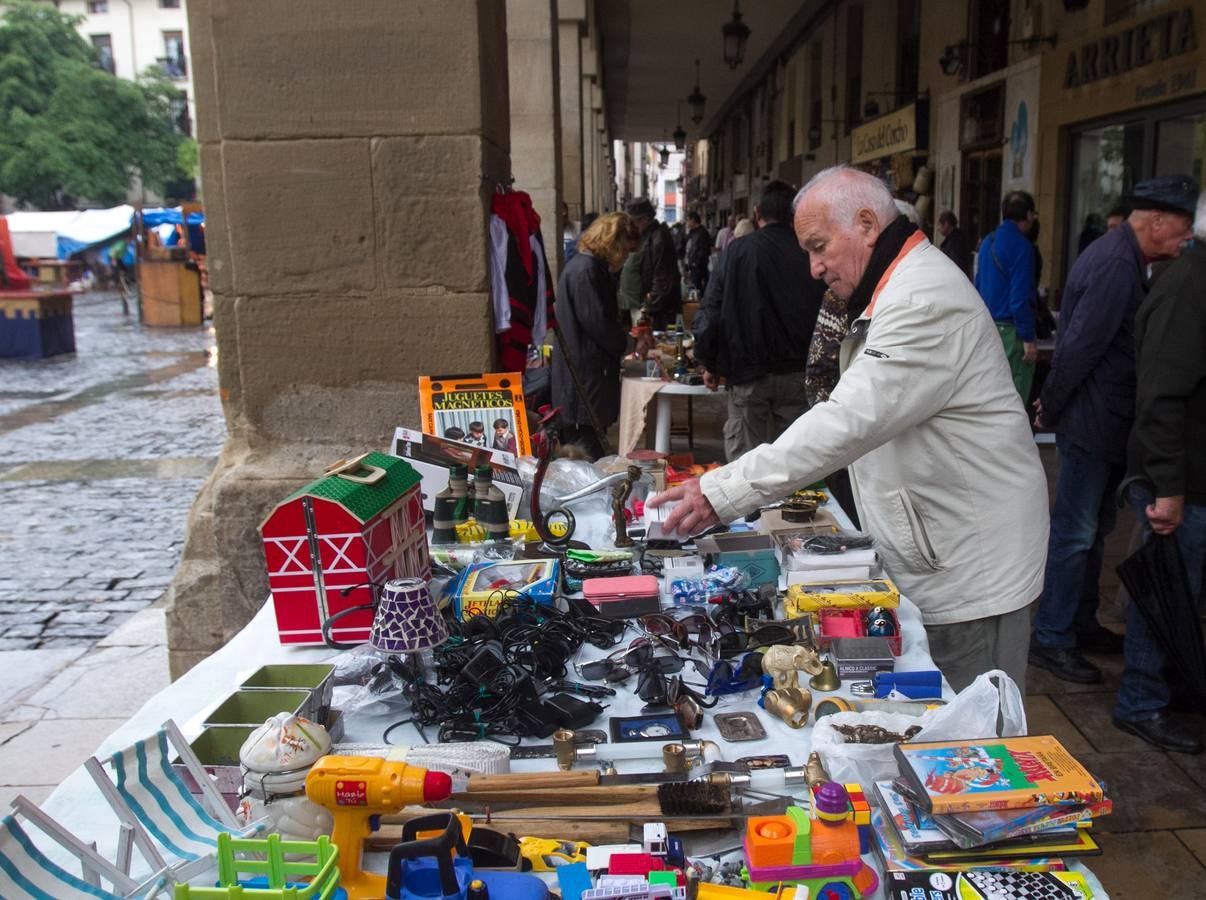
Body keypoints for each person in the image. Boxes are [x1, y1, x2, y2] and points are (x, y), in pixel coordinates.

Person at [651, 165, 1048, 693]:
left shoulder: (923, 299)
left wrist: (723, 490)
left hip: (968, 567)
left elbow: (848, 419)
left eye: (819, 247)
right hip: (943, 549)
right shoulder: (896, 288)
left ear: (865, 223)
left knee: (971, 739)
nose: (814, 268)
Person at [1030, 176, 1198, 685]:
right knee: (1075, 535)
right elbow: (1079, 348)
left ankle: (1079, 624)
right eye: (1184, 229)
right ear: (1157, 221)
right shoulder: (1114, 265)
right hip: (1092, 421)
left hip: (1107, 423)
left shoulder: (1132, 258)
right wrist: (1051, 408)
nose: (1187, 239)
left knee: (1094, 532)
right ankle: (1052, 637)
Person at [1112, 188, 1206, 755]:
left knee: (1181, 592)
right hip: (1179, 482)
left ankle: (1166, 688)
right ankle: (1142, 701)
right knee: (1164, 590)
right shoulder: (1189, 284)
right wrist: (1168, 486)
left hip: (1189, 478)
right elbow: (1163, 397)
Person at [693, 180, 824, 462]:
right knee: (793, 461)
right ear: (794, 215)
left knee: (745, 464)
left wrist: (708, 361)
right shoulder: (809, 252)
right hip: (797, 375)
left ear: (756, 212)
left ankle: (749, 508)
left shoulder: (737, 252)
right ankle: (789, 507)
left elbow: (711, 311)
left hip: (747, 374)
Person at [551, 212, 640, 459]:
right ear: (612, 242)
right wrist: (629, 342)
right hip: (584, 382)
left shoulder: (588, 267)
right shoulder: (586, 270)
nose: (624, 257)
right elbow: (599, 324)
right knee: (587, 455)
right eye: (624, 250)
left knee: (590, 449)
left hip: (587, 379)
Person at [975, 190, 1039, 403]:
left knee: (988, 395)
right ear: (1028, 215)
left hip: (987, 330)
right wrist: (1028, 338)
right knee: (1014, 398)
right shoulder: (1022, 246)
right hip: (1011, 333)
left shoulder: (987, 242)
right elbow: (1020, 298)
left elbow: (977, 285)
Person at [625, 198, 681, 330]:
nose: (632, 228)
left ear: (644, 219)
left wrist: (648, 308)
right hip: (654, 308)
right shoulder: (649, 236)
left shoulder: (659, 238)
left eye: (634, 223)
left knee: (659, 347)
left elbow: (663, 280)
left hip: (661, 312)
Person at [936, 210, 973, 280]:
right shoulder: (957, 238)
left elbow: (955, 265)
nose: (938, 229)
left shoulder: (955, 242)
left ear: (946, 224)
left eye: (939, 225)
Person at [683, 212, 711, 294]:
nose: (687, 223)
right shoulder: (691, 233)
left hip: (698, 268)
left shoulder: (702, 233)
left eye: (688, 220)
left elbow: (704, 250)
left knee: (698, 289)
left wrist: (696, 263)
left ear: (693, 220)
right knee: (692, 289)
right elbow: (688, 249)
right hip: (691, 266)